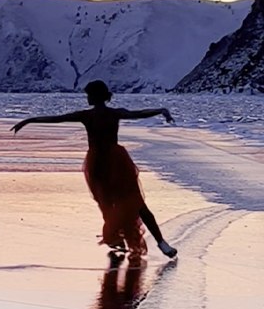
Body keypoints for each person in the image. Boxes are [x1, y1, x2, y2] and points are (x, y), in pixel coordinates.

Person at [11, 80, 177, 259]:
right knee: (125, 205)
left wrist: (29, 120)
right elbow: (138, 114)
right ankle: (138, 241)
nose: (87, 98)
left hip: (108, 164)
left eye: (89, 95)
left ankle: (151, 241)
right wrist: (29, 120)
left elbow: (58, 118)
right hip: (105, 164)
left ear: (96, 96)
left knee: (124, 204)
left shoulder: (94, 115)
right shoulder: (99, 114)